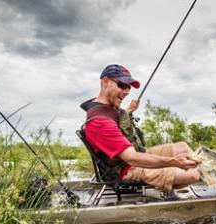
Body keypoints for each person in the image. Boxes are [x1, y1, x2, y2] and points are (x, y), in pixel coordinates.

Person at [81, 64, 201, 192]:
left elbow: (115, 122)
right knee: (194, 174)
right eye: (122, 85)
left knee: (182, 146)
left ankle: (201, 169)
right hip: (127, 169)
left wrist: (130, 110)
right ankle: (169, 188)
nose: (127, 91)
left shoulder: (106, 106)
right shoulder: (99, 122)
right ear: (105, 81)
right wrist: (174, 162)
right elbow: (131, 158)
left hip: (136, 156)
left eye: (128, 87)